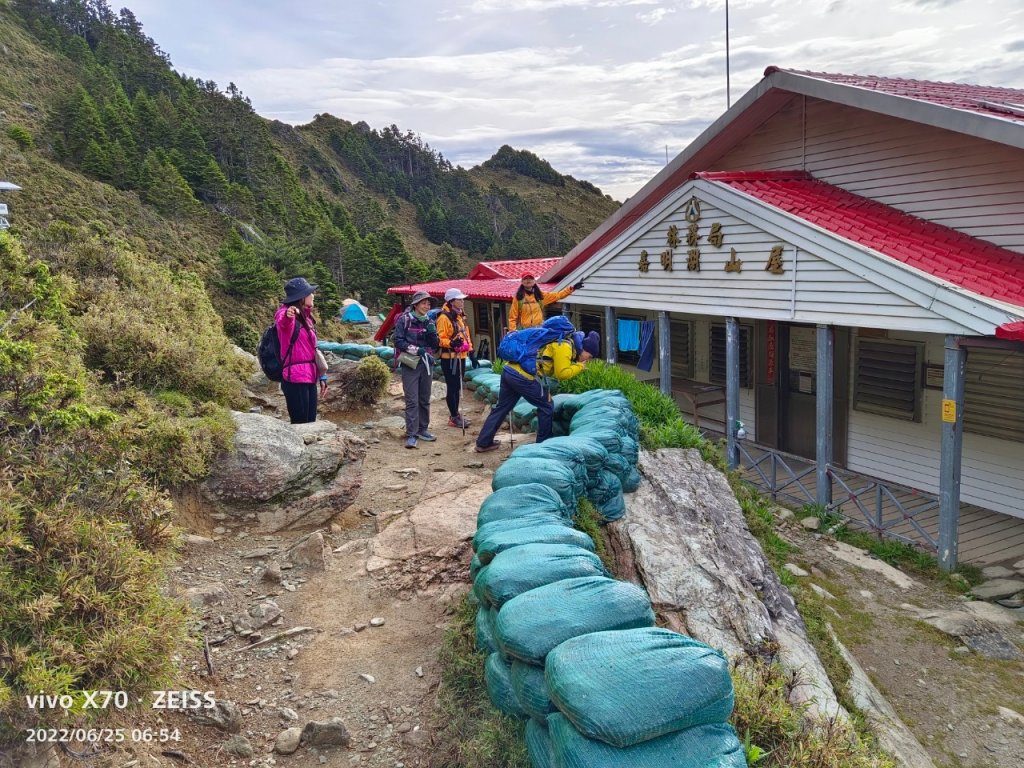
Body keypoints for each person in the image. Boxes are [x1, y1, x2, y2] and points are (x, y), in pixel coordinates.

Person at [475, 328, 601, 452]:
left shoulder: (562, 341)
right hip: (523, 377)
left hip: (510, 370)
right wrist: (579, 366)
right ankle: (543, 445)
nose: (587, 360)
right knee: (547, 405)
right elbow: (561, 373)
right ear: (584, 349)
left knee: (502, 407)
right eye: (588, 356)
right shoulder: (565, 346)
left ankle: (483, 442)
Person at [275, 276, 328, 424]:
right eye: (310, 293)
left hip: (310, 376)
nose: (313, 295)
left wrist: (322, 376)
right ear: (302, 297)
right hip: (295, 378)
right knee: (300, 424)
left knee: (311, 422)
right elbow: (283, 322)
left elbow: (313, 350)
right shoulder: (285, 313)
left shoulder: (307, 318)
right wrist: (288, 315)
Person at [394, 290, 440, 449]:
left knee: (424, 398)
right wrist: (415, 349)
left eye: (428, 303)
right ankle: (411, 434)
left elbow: (435, 345)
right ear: (415, 304)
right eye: (423, 303)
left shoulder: (430, 321)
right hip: (410, 363)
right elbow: (398, 341)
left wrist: (433, 334)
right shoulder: (404, 320)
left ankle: (423, 429)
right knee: (412, 399)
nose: (426, 306)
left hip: (426, 363)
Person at [435, 287, 474, 429]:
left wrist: (471, 350)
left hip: (461, 356)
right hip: (450, 358)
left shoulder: (458, 316)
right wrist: (451, 343)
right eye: (459, 299)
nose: (462, 302)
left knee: (458, 387)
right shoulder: (444, 318)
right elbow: (440, 339)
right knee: (453, 387)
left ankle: (456, 414)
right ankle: (453, 417)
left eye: (462, 299)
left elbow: (465, 334)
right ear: (451, 301)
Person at [507, 273, 585, 331]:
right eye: (525, 279)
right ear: (522, 282)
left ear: (534, 281)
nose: (528, 280)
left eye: (530, 278)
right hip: (525, 331)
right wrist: (513, 331)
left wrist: (573, 288)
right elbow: (512, 317)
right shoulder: (518, 298)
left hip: (539, 329)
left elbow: (558, 295)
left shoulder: (540, 296)